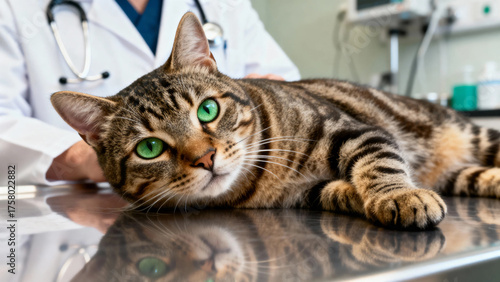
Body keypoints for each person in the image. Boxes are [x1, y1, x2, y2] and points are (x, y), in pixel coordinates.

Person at [0, 0, 300, 185]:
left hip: (239, 193)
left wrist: (275, 94)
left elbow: (284, 82)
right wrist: (81, 158)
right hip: (94, 215)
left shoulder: (221, 4)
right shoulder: (15, 8)